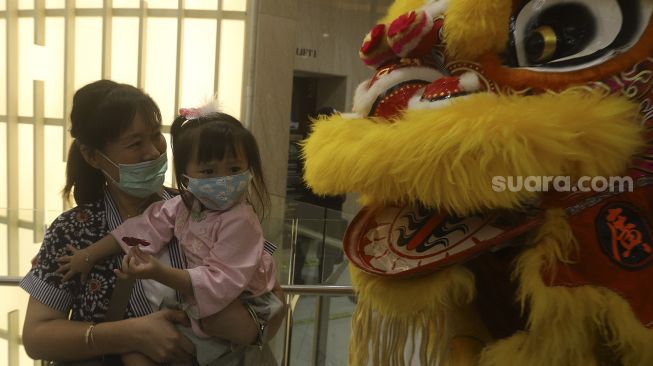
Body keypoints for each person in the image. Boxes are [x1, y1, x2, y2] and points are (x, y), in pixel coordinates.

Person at [19, 80, 284, 365]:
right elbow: (36, 337)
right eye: (135, 143)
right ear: (93, 156)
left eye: (156, 135)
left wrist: (246, 327)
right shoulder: (74, 231)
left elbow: (271, 296)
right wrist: (128, 335)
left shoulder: (205, 206)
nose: (154, 151)